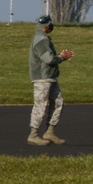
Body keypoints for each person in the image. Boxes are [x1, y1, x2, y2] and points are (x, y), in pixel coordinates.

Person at [27, 15, 74, 145]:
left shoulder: (43, 38)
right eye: (50, 25)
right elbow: (49, 59)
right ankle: (33, 135)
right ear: (46, 26)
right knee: (40, 105)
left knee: (58, 102)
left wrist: (61, 57)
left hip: (50, 77)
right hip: (42, 78)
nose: (52, 27)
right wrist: (61, 57)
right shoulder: (41, 40)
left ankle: (50, 132)